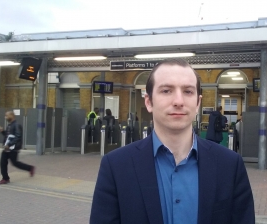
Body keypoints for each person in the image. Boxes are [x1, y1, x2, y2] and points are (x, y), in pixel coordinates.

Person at [90, 58, 254, 224]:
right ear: (149, 102)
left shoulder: (230, 166)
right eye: (166, 91)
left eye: (188, 91)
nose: (178, 101)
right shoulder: (116, 166)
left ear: (198, 103)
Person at [0, 111, 35, 185]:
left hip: (13, 148)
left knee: (15, 163)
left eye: (7, 115)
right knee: (3, 163)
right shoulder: (9, 125)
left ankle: (30, 168)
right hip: (6, 147)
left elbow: (18, 136)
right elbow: (8, 136)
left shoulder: (17, 125)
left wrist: (9, 144)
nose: (5, 117)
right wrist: (2, 131)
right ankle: (5, 178)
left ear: (12, 116)